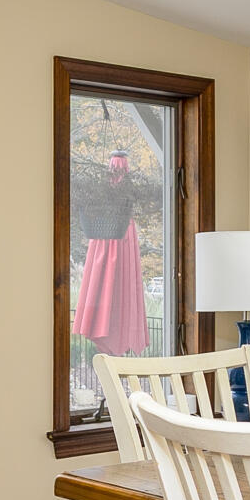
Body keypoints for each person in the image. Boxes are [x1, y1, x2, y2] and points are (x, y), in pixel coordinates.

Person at [72, 148, 150, 357]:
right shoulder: (114, 222)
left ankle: (113, 347)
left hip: (118, 231)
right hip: (115, 232)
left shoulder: (122, 221)